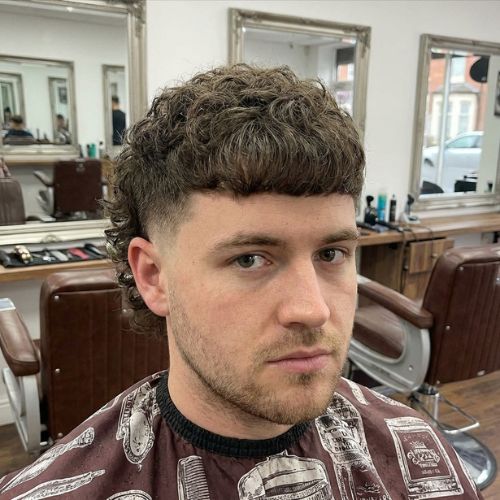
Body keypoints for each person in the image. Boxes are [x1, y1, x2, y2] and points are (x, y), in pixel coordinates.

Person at [0, 65, 481, 499]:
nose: (313, 309)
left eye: (331, 254)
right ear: (153, 276)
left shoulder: (419, 453)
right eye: (250, 259)